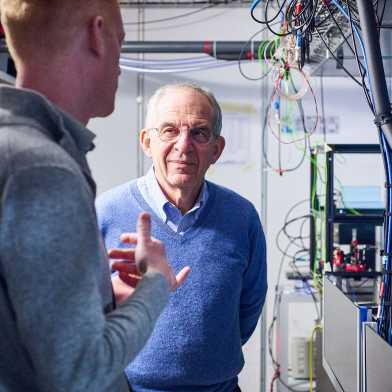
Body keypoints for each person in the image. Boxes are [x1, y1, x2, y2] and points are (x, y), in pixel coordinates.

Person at [0, 2, 189, 391]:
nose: (120, 65)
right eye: (120, 41)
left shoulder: (14, 146)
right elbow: (80, 373)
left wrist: (94, 300)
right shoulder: (42, 169)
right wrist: (155, 284)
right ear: (97, 34)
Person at [96, 83, 268, 392]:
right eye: (169, 131)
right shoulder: (105, 212)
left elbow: (249, 307)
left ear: (216, 149)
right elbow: (79, 318)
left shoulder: (242, 217)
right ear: (147, 142)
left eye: (199, 133)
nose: (183, 145)